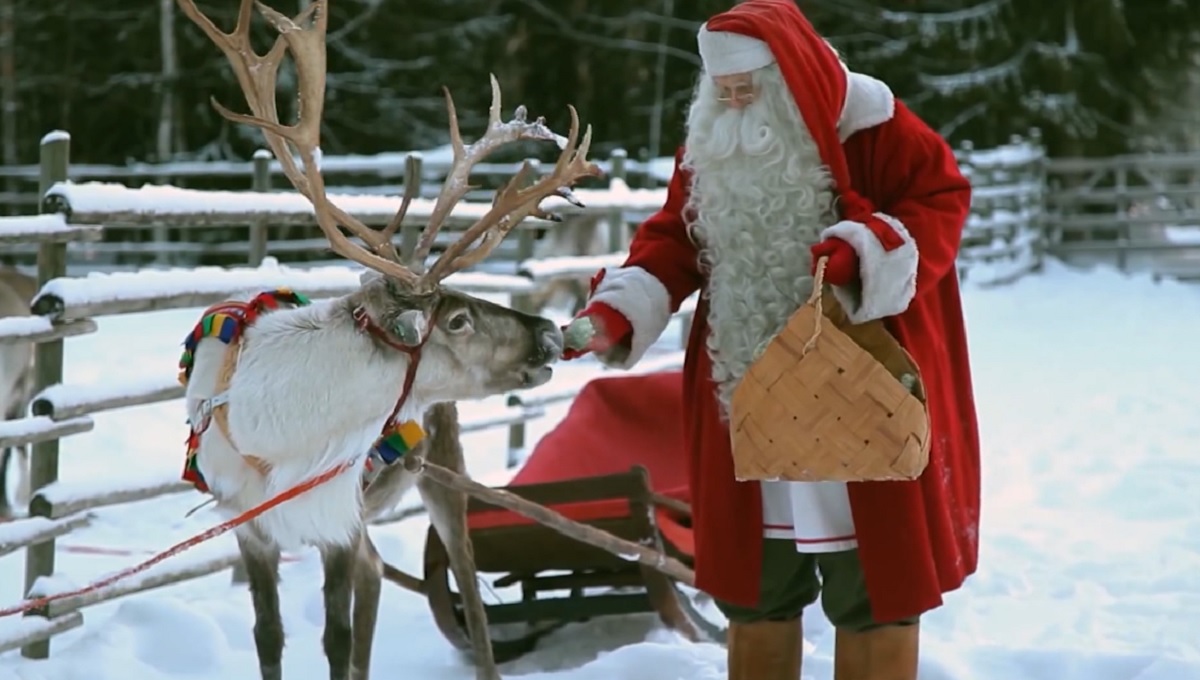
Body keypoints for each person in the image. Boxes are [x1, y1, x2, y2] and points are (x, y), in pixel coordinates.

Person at [560, 1, 982, 678]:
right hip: (744, 390)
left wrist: (863, 253)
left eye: (746, 89)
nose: (731, 104)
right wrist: (620, 309)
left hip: (860, 388)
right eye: (719, 91)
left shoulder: (876, 127)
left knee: (872, 583)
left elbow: (941, 201)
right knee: (756, 587)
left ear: (793, 77)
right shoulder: (712, 146)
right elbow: (676, 238)